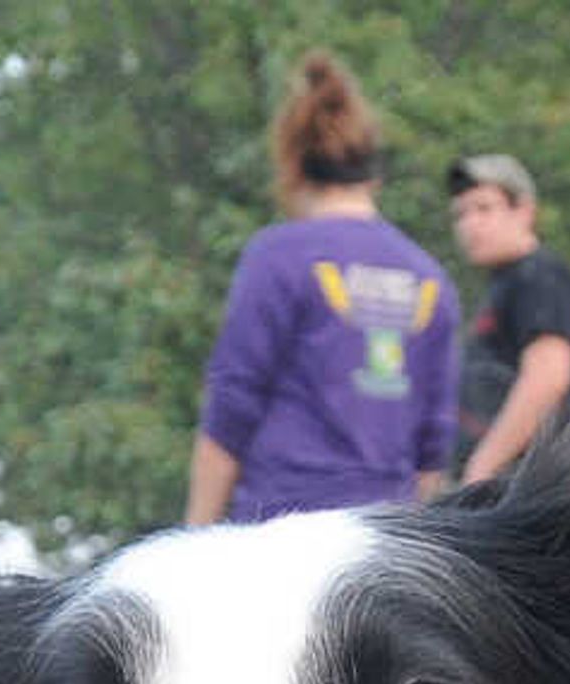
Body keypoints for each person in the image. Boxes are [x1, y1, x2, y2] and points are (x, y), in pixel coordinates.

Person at [186, 52, 458, 527]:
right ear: (374, 173)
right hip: (381, 542)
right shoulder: (429, 278)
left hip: (282, 531)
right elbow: (431, 454)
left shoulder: (278, 257)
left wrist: (194, 538)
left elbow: (231, 411)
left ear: (291, 165)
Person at [446, 151, 570, 483]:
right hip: (509, 488)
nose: (470, 224)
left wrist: (483, 466)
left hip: (531, 492)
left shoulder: (540, 277)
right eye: (460, 214)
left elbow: (547, 377)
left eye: (484, 208)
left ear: (524, 211)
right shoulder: (505, 283)